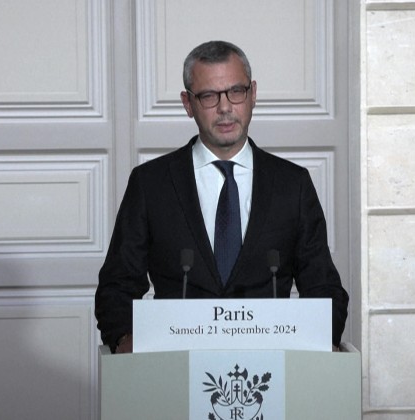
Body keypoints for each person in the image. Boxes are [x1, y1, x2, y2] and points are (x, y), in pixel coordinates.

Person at [95, 40, 348, 353]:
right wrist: (124, 338)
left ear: (253, 94)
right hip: (174, 363)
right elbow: (117, 284)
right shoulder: (151, 184)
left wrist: (324, 338)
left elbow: (323, 285)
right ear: (188, 104)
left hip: (269, 363)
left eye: (236, 91)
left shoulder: (292, 184)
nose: (225, 107)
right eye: (209, 96)